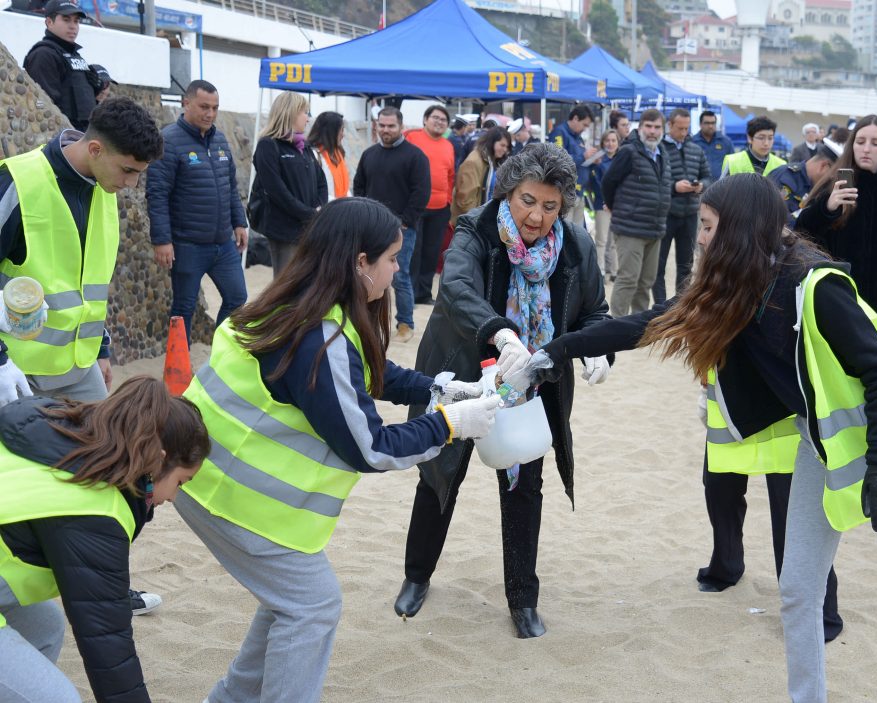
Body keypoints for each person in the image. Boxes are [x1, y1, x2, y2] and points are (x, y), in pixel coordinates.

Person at [535, 173, 877, 703]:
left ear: (738, 229)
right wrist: (560, 348)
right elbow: (647, 322)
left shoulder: (816, 288)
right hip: (820, 449)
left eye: (708, 227)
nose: (700, 238)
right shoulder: (735, 285)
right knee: (799, 593)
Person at [175, 197, 500, 703]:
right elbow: (369, 448)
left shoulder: (302, 304)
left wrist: (440, 388)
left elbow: (363, 373)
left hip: (207, 476)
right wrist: (449, 425)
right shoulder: (318, 338)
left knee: (290, 602)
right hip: (230, 496)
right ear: (360, 262)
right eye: (391, 258)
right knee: (312, 605)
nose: (398, 269)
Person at [393, 143, 611, 639]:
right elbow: (456, 289)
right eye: (527, 200)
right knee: (440, 474)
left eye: (550, 206)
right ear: (507, 192)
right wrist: (501, 332)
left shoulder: (575, 245)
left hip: (531, 385)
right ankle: (417, 575)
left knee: (524, 485)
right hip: (464, 372)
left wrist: (597, 349)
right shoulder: (475, 229)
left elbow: (594, 311)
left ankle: (523, 599)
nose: (537, 216)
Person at [0, 96, 165, 617]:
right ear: (95, 149)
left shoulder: (103, 186)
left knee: (116, 468)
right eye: (129, 170)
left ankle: (106, 585)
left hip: (79, 366)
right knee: (16, 482)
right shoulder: (18, 181)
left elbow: (90, 281)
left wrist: (103, 347)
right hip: (16, 371)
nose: (132, 183)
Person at [0, 376, 210, 702]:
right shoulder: (95, 509)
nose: (173, 497)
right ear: (157, 459)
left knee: (44, 628)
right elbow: (108, 646)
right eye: (181, 482)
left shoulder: (57, 427)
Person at [797, 115, 877, 333]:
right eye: (860, 141)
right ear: (852, 146)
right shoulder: (835, 185)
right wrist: (826, 208)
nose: (866, 149)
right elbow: (801, 234)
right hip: (835, 300)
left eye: (875, 143)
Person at [146, 79, 248, 344]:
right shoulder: (168, 141)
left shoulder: (220, 139)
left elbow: (230, 186)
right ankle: (178, 365)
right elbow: (157, 194)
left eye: (215, 108)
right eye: (204, 107)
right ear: (186, 103)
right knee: (183, 309)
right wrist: (162, 240)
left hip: (223, 244)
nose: (210, 114)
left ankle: (221, 356)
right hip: (187, 245)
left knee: (238, 298)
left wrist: (239, 222)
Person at [352, 106, 430, 343]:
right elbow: (359, 187)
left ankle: (405, 323)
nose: (386, 130)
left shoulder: (415, 156)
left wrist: (404, 221)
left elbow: (421, 192)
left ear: (401, 127)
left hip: (402, 230)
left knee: (399, 276)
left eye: (391, 126)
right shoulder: (369, 154)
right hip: (370, 229)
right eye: (382, 125)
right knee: (367, 274)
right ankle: (367, 322)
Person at [601, 108, 672, 317]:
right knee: (628, 279)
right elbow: (608, 182)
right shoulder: (628, 152)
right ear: (640, 128)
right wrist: (614, 207)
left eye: (657, 127)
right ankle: (616, 324)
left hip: (654, 229)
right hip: (630, 228)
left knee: (646, 282)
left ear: (662, 129)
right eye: (648, 126)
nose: (652, 131)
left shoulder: (662, 153)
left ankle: (637, 324)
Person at [251, 92, 326, 277]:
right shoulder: (268, 145)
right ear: (290, 113)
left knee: (308, 281)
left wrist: (319, 209)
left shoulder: (305, 146)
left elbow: (321, 182)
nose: (308, 118)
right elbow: (276, 191)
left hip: (308, 227)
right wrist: (308, 213)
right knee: (287, 283)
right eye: (305, 112)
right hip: (285, 230)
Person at [653, 108, 711, 305]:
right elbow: (653, 181)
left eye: (687, 128)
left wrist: (701, 185)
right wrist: (674, 187)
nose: (684, 132)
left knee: (686, 265)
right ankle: (660, 306)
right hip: (665, 214)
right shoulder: (659, 148)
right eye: (680, 128)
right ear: (669, 125)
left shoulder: (696, 149)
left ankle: (680, 306)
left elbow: (708, 176)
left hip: (690, 214)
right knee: (658, 265)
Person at [405, 105, 456, 305]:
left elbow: (450, 176)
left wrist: (448, 200)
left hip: (440, 208)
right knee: (413, 252)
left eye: (443, 120)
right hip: (416, 206)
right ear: (425, 119)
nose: (439, 122)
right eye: (435, 117)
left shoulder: (448, 145)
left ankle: (424, 293)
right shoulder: (412, 138)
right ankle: (409, 293)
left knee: (431, 252)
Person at [23, 0, 99, 131]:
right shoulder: (43, 55)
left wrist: (96, 87)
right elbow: (46, 106)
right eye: (66, 20)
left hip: (84, 133)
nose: (73, 26)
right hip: (64, 135)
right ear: (49, 22)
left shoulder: (74, 54)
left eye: (76, 21)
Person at [769, 137, 842, 226]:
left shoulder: (820, 188)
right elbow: (773, 220)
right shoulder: (785, 177)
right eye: (832, 175)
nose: (831, 180)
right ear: (823, 166)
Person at [548, 104, 599, 227]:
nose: (585, 129)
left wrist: (593, 161)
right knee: (566, 231)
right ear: (575, 118)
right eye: (584, 125)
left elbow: (581, 162)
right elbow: (557, 159)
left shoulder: (578, 138)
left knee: (577, 232)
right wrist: (583, 156)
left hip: (579, 192)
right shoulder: (559, 132)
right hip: (565, 192)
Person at [449, 127, 512, 224]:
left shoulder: (492, 161)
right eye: (502, 145)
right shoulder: (474, 162)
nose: (505, 149)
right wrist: (477, 223)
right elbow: (465, 200)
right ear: (492, 142)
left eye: (507, 147)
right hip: (472, 222)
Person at [588, 128, 619, 281]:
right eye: (607, 140)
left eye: (613, 140)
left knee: (614, 241)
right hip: (602, 204)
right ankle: (600, 270)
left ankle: (614, 271)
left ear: (618, 143)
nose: (610, 143)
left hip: (618, 206)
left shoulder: (621, 160)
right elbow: (597, 184)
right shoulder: (598, 161)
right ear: (602, 143)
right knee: (601, 240)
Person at [721, 116, 786, 178]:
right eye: (761, 138)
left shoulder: (781, 165)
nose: (766, 143)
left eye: (770, 138)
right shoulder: (732, 161)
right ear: (749, 138)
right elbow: (722, 185)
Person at [307, 110, 350, 201]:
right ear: (331, 132)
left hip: (342, 206)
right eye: (341, 130)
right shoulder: (313, 155)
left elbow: (346, 190)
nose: (343, 134)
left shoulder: (338, 154)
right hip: (327, 207)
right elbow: (314, 191)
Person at [694, 110, 735, 180]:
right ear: (700, 124)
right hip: (700, 184)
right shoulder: (693, 142)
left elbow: (732, 164)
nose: (710, 126)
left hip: (722, 184)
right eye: (707, 123)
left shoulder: (726, 142)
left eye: (713, 123)